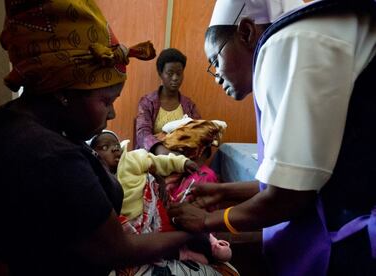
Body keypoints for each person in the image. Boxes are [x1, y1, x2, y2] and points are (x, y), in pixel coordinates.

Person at [0, 1, 224, 276]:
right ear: (63, 90)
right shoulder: (50, 156)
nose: (112, 112)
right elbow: (119, 249)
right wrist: (198, 231)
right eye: (106, 101)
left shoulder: (17, 125)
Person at [168, 0, 376, 275]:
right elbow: (295, 177)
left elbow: (289, 195)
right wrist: (222, 191)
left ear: (246, 32)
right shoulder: (298, 39)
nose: (217, 75)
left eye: (216, 61)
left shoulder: (286, 42)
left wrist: (210, 221)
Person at [90, 130, 233, 267]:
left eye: (116, 145)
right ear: (94, 155)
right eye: (105, 147)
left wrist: (182, 163)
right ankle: (183, 254)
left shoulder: (132, 159)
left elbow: (159, 161)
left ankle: (211, 243)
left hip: (151, 213)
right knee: (149, 248)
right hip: (128, 226)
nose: (114, 149)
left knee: (175, 222)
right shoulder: (94, 178)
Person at [135, 48, 201, 155]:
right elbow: (142, 133)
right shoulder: (147, 102)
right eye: (170, 73)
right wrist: (162, 151)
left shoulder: (189, 105)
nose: (175, 78)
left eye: (179, 73)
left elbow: (199, 131)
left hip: (183, 159)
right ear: (160, 73)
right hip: (152, 158)